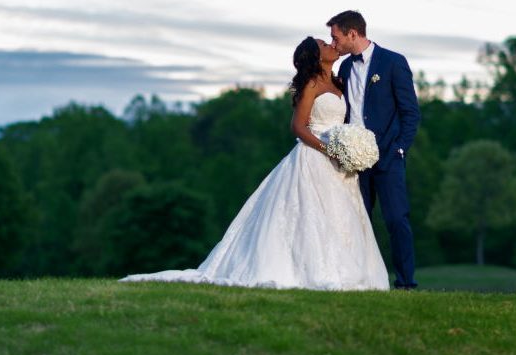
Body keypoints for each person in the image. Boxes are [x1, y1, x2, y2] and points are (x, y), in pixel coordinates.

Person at [120, 37, 389, 291]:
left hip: (340, 163)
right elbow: (297, 126)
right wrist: (327, 149)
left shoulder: (339, 83)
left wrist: (350, 147)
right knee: (312, 215)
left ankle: (350, 268)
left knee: (341, 216)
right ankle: (311, 269)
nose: (330, 45)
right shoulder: (312, 85)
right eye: (323, 44)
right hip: (315, 157)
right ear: (317, 57)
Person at [328, 10, 421, 290]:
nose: (334, 44)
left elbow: (410, 112)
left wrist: (400, 149)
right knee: (357, 222)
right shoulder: (344, 69)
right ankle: (360, 281)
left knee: (396, 220)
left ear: (352, 34)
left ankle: (406, 283)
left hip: (388, 157)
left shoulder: (393, 62)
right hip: (353, 161)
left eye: (336, 38)